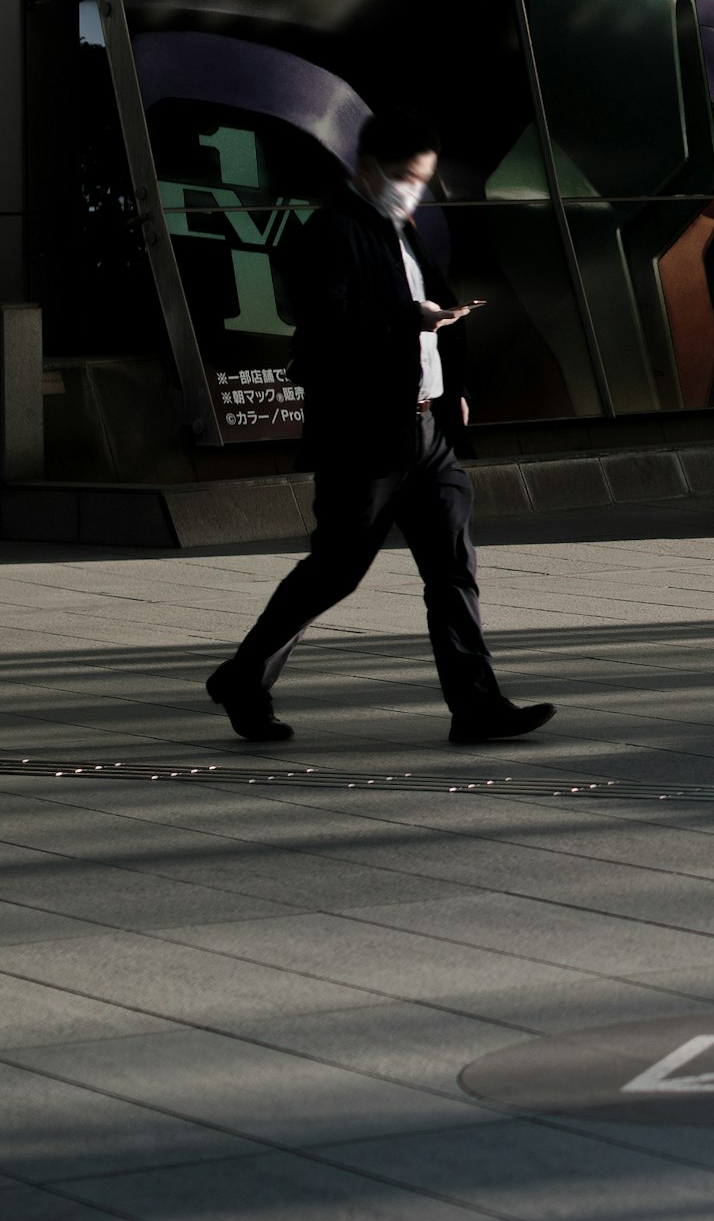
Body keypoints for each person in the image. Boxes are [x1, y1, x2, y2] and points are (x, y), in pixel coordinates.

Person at [204, 112, 553, 747]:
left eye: (421, 180)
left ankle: (476, 707)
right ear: (367, 169)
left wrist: (450, 386)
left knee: (453, 568)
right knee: (337, 568)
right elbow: (326, 324)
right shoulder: (328, 232)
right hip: (364, 436)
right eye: (403, 178)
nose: (413, 190)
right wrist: (408, 317)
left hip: (427, 430)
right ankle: (244, 676)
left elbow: (422, 320)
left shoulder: (401, 229)